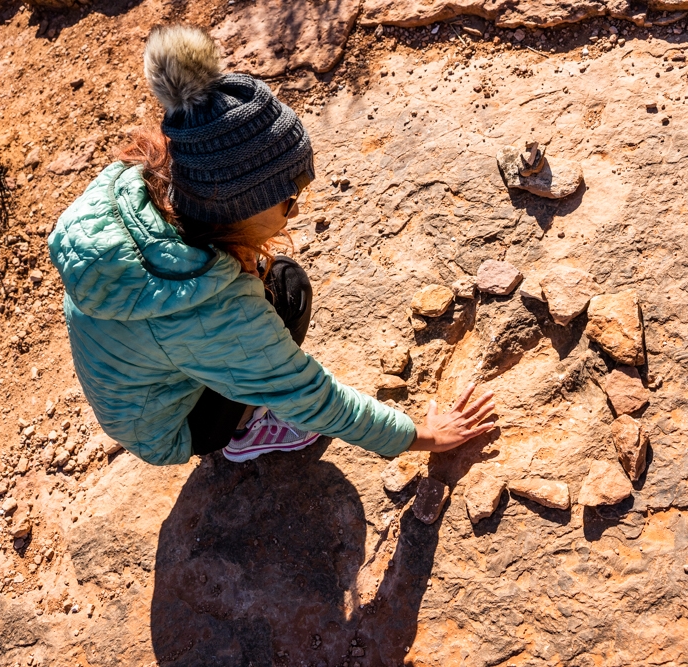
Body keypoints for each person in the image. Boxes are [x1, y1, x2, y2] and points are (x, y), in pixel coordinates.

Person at [47, 25, 496, 466]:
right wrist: (422, 436)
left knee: (276, 281)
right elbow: (314, 399)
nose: (296, 212)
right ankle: (244, 432)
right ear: (238, 207)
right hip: (175, 427)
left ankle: (235, 393)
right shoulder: (213, 312)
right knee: (290, 292)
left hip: (138, 393)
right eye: (288, 197)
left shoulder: (142, 185)